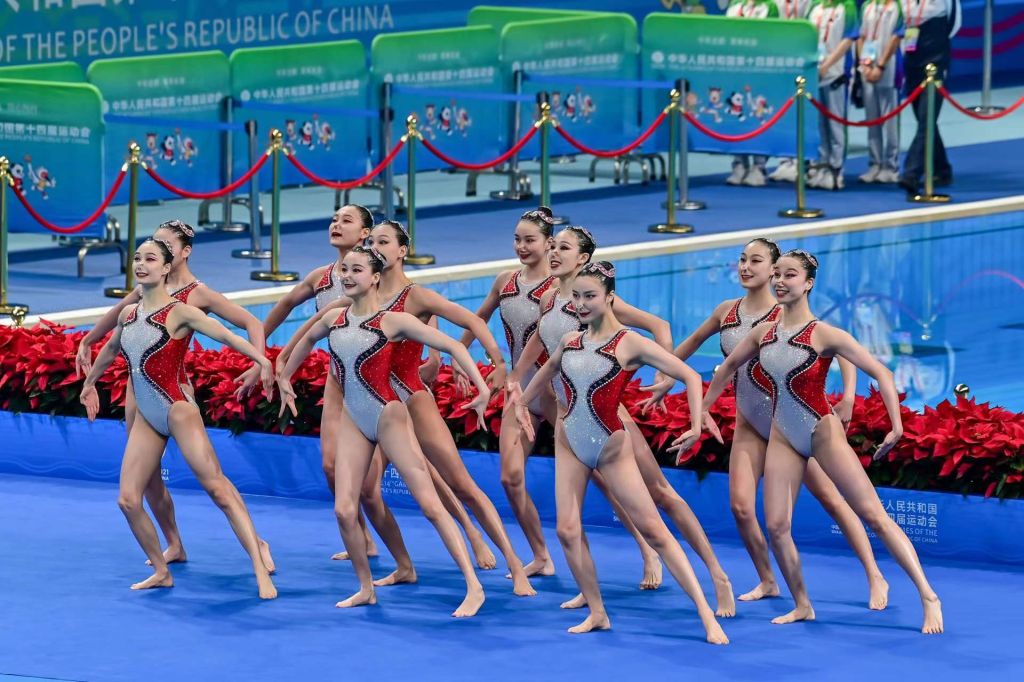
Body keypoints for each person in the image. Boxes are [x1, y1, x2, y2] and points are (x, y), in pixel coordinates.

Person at [679, 249, 943, 633]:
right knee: (777, 526)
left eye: (790, 275)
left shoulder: (824, 334)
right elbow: (728, 368)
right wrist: (700, 413)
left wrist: (896, 425)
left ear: (808, 283)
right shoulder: (764, 333)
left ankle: (927, 595)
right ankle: (802, 604)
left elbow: (882, 373)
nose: (780, 281)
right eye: (778, 274)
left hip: (822, 433)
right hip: (782, 437)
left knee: (874, 516)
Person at [646, 238, 888, 608]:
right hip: (748, 423)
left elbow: (842, 351)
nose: (745, 267)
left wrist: (850, 396)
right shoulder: (727, 311)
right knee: (741, 508)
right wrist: (666, 375)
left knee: (832, 500)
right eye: (742, 259)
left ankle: (874, 575)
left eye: (755, 261)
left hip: (789, 424)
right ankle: (768, 580)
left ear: (773, 268)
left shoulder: (784, 312)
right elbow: (692, 342)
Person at [513, 225, 735, 614]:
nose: (553, 253)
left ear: (583, 258)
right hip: (567, 415)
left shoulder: (600, 301)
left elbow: (659, 327)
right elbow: (543, 342)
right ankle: (593, 588)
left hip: (608, 416)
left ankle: (716, 575)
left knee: (661, 493)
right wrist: (516, 380)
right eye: (553, 246)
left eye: (563, 248)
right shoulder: (550, 298)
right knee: (577, 515)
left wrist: (665, 375)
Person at [312, 219, 536, 595]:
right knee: (369, 490)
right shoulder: (355, 295)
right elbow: (312, 331)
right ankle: (403, 565)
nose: (376, 247)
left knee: (460, 484)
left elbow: (470, 321)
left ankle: (514, 565)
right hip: (371, 405)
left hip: (411, 398)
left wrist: (497, 362)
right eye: (372, 241)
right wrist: (275, 366)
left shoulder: (414, 297)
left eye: (384, 242)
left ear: (402, 251)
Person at [277, 246, 490, 616]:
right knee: (344, 510)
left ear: (375, 277)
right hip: (353, 419)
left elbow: (453, 344)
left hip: (389, 416)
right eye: (344, 270)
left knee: (430, 505)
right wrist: (284, 378)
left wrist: (482, 388)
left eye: (356, 270)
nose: (347, 276)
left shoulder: (392, 321)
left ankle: (474, 586)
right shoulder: (334, 318)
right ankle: (365, 588)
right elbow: (306, 340)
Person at [79, 239, 277, 598]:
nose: (141, 264)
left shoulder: (180, 312)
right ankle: (161, 570)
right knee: (128, 500)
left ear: (166, 268)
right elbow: (110, 350)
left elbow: (226, 335)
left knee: (217, 489)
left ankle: (259, 566)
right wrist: (89, 384)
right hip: (147, 416)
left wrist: (261, 360)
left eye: (150, 259)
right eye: (137, 258)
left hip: (177, 410)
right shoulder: (129, 313)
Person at [240, 204, 379, 560]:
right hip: (339, 381)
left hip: (379, 386)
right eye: (333, 219)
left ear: (365, 233)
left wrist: (434, 358)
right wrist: (258, 355)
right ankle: (362, 538)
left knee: (383, 483)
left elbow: (414, 305)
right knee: (331, 467)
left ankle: (470, 538)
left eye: (346, 220)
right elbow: (285, 306)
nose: (336, 224)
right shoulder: (321, 277)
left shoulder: (377, 275)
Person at [458, 208, 558, 577]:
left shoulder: (560, 287)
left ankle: (647, 550)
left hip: (557, 392)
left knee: (602, 477)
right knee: (510, 478)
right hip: (521, 394)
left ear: (549, 243)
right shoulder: (506, 281)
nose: (522, 246)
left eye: (530, 240)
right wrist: (459, 351)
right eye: (517, 239)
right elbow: (477, 318)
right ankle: (541, 556)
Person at [898, 0, 961, 194]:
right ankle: (942, 169)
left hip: (936, 58)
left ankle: (911, 173)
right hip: (912, 59)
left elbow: (954, 24)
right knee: (925, 119)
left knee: (926, 119)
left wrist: (937, 47)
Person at [724, 0, 779, 187]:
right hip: (735, 71)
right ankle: (739, 164)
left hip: (759, 71)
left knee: (757, 118)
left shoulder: (769, 7)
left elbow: (770, 38)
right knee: (737, 118)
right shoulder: (734, 7)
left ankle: (759, 167)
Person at [807, 0, 859, 190]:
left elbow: (849, 39)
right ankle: (822, 166)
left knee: (835, 124)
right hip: (816, 73)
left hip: (837, 73)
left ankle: (836, 169)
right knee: (819, 124)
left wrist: (827, 64)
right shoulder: (815, 7)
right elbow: (807, 37)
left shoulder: (847, 7)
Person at [768, 0, 817, 183]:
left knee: (804, 112)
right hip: (781, 58)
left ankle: (803, 161)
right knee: (783, 111)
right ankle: (784, 161)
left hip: (803, 56)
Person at [857, 0, 905, 184]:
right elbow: (861, 37)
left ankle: (890, 166)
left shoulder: (897, 6)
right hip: (868, 69)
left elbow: (896, 37)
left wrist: (881, 65)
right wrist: (865, 64)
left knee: (889, 120)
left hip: (888, 69)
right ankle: (875, 164)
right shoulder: (867, 6)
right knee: (872, 119)